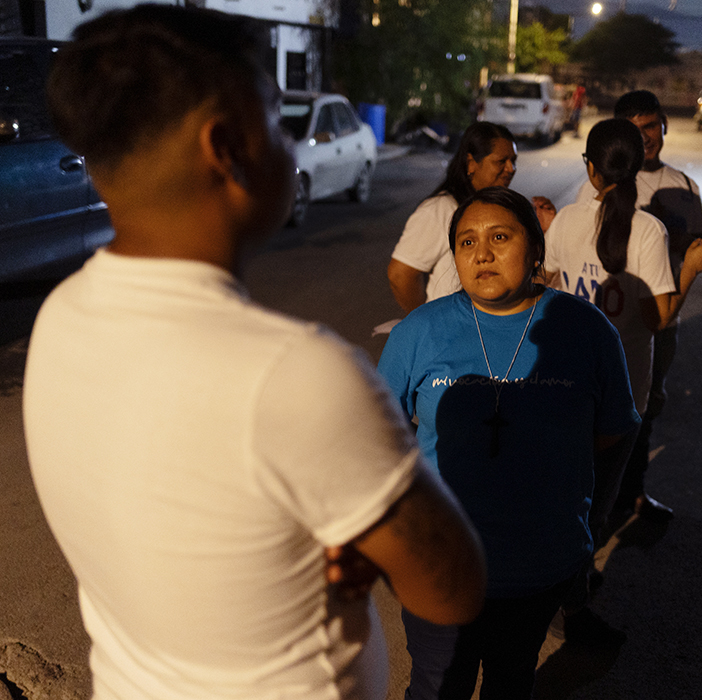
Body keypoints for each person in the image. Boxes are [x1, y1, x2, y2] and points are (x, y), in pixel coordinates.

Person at [23, 6, 486, 700]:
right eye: (275, 120)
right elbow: (451, 587)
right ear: (228, 146)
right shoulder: (295, 375)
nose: (290, 147)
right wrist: (356, 528)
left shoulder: (60, 319)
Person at [378, 187, 640, 700]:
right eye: (466, 241)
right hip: (442, 565)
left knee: (511, 678)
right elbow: (376, 438)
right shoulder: (420, 332)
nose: (482, 253)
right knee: (436, 685)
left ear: (536, 249)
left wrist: (585, 519)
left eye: (500, 237)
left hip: (539, 564)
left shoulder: (585, 330)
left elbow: (613, 430)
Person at [551, 118, 702, 517]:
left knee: (564, 488)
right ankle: (583, 570)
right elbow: (658, 318)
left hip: (567, 378)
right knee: (602, 495)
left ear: (591, 168)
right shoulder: (647, 230)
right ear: (639, 165)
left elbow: (545, 284)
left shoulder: (566, 219)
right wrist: (690, 269)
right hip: (623, 386)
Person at [387, 122, 517, 314]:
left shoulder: (498, 209)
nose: (511, 168)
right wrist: (427, 322)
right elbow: (400, 274)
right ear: (471, 163)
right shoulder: (442, 209)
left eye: (514, 160)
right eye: (501, 161)